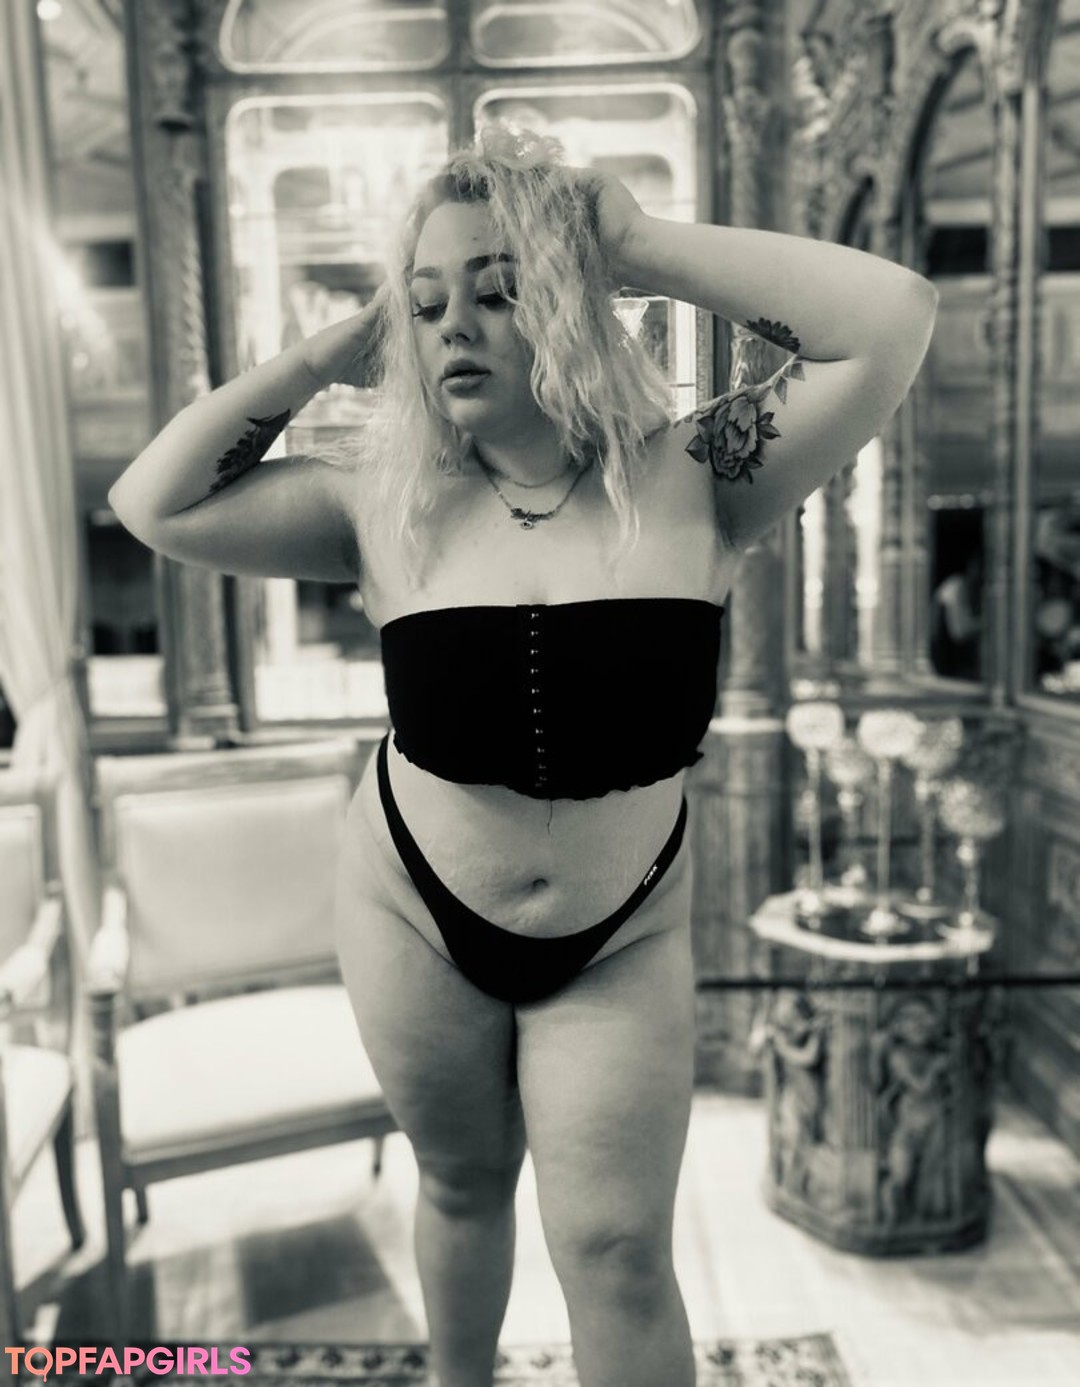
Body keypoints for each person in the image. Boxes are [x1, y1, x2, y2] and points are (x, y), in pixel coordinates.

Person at [108, 126, 937, 1387]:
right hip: (412, 908)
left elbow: (890, 319)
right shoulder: (379, 501)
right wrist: (330, 351)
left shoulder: (697, 478)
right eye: (426, 304)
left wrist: (637, 244)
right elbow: (152, 502)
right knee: (459, 1185)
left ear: (569, 303)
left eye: (497, 291)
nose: (454, 327)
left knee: (616, 1249)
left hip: (622, 931)